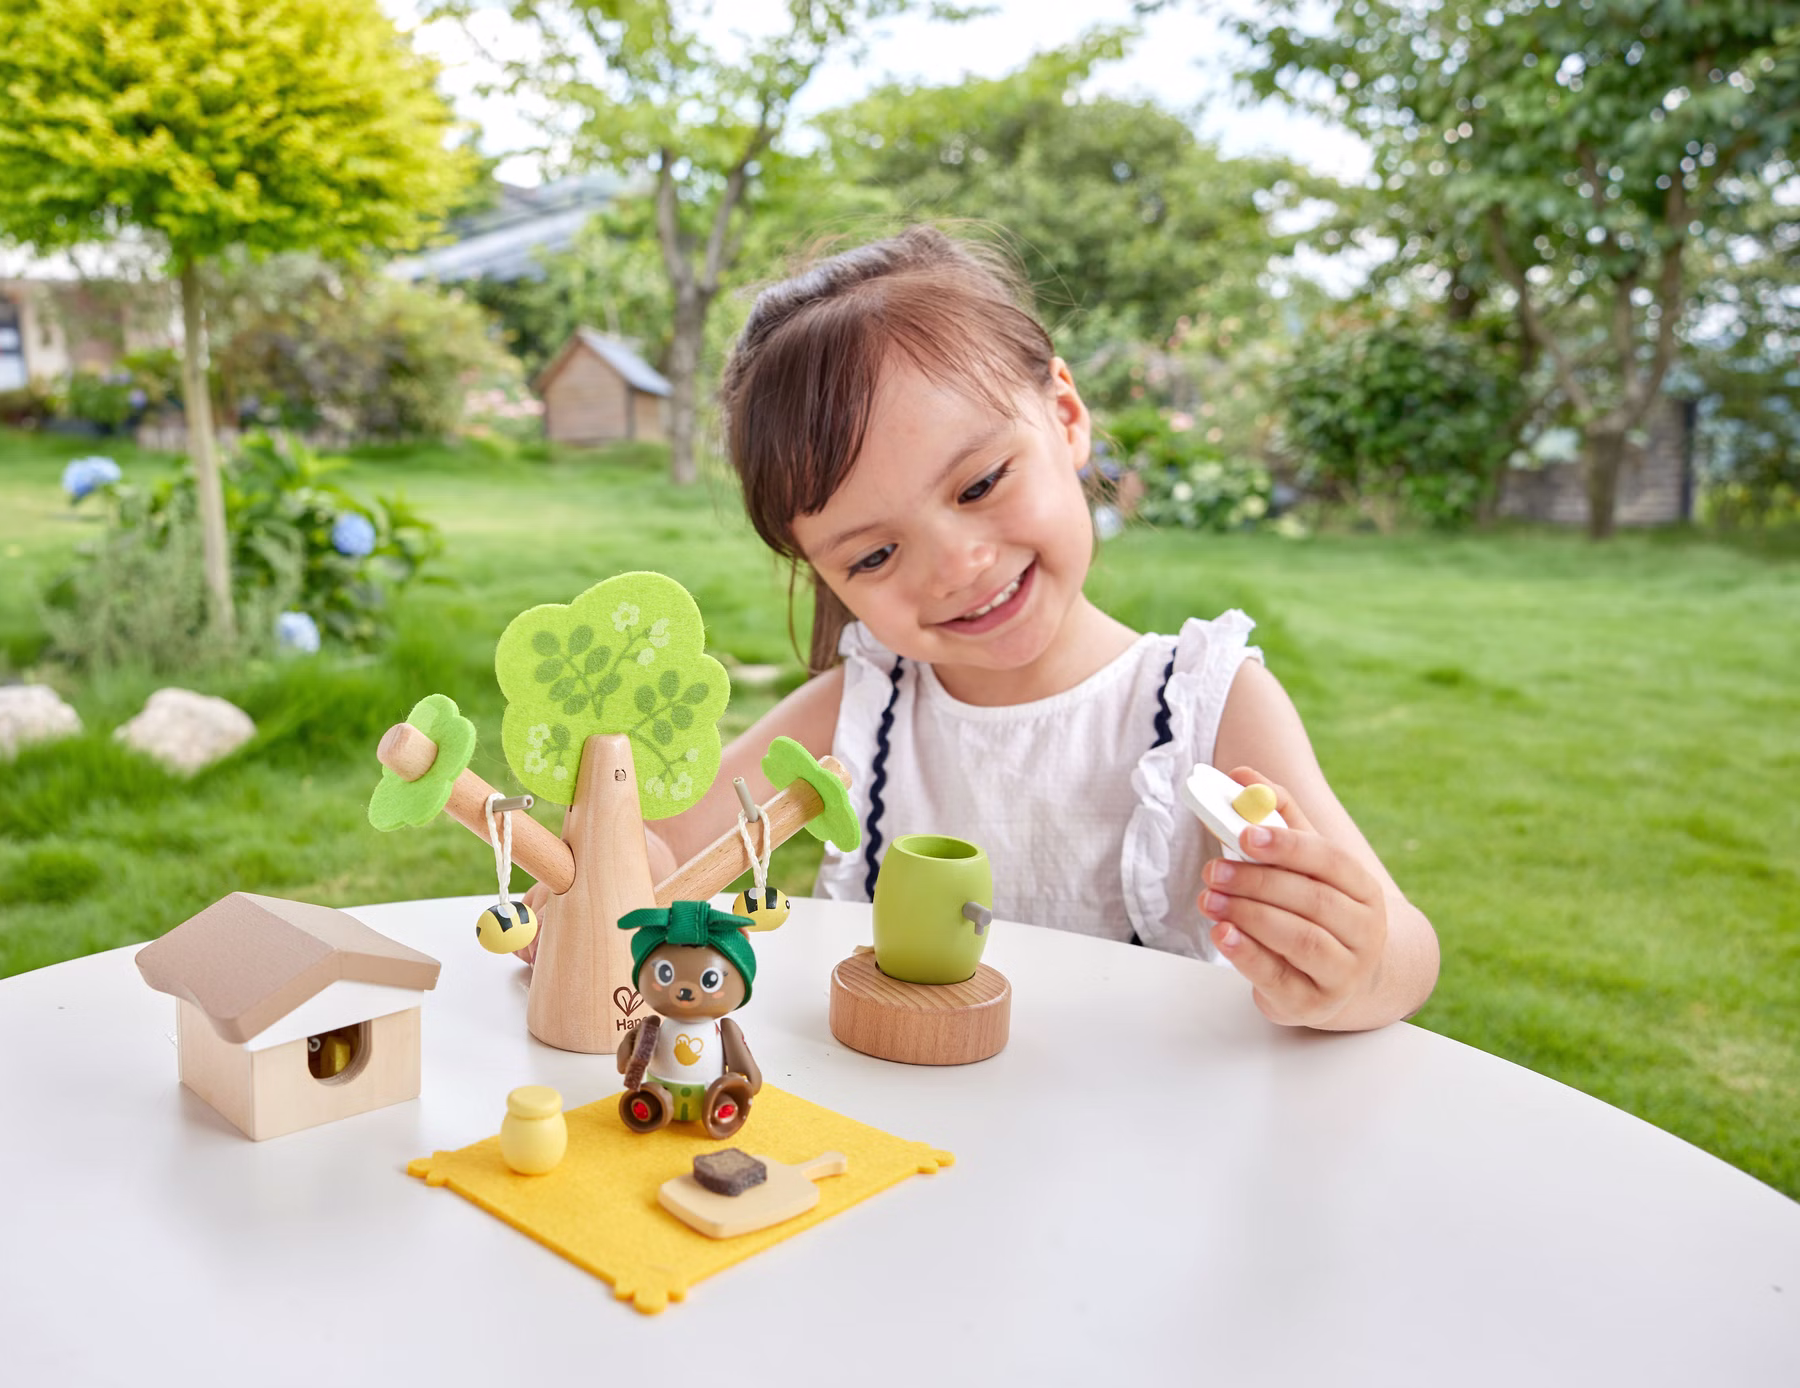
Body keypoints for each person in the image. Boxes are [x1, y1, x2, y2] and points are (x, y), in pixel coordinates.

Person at [592, 226, 1434, 1032]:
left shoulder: (1208, 707)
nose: (955, 565)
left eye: (980, 484)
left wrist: (1354, 966)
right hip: (893, 1121)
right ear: (823, 573)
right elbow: (658, 853)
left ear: (1065, 416)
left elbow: (1406, 954)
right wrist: (598, 875)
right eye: (876, 555)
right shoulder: (856, 716)